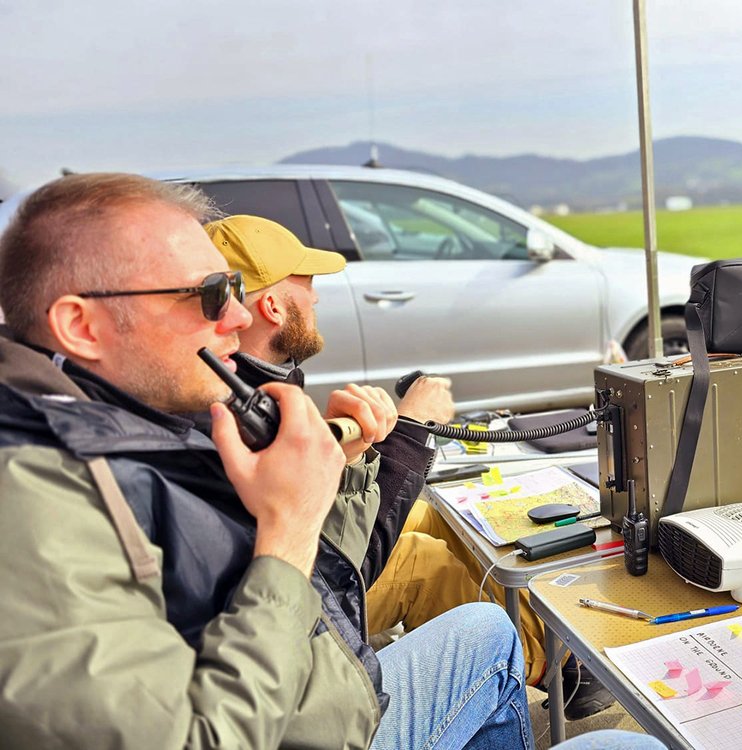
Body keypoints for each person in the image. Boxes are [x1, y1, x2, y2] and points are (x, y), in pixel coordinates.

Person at [0, 173, 533, 749]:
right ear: (82, 326)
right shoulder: (30, 504)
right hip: (294, 714)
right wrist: (289, 530)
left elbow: (305, 589)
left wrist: (339, 469)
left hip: (317, 685)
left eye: (233, 288)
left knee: (485, 628)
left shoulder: (130, 419)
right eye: (207, 294)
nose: (235, 318)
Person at [203, 213, 616, 721]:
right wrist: (413, 430)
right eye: (306, 284)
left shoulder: (251, 385)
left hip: (272, 578)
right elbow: (350, 562)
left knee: (431, 517)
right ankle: (555, 665)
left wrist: (351, 451)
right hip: (283, 607)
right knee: (423, 563)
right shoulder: (238, 411)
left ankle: (559, 646)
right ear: (269, 305)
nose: (316, 298)